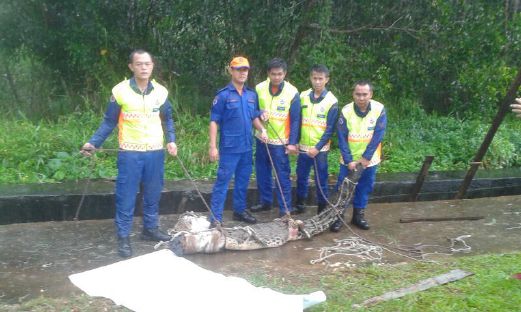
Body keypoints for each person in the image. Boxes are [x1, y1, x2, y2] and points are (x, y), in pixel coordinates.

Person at [81, 49, 177, 258]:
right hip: (130, 154)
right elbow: (109, 121)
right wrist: (93, 142)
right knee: (126, 197)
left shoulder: (161, 92)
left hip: (155, 152)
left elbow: (167, 118)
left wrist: (171, 140)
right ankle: (123, 237)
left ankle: (150, 230)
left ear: (152, 66)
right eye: (139, 64)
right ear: (131, 67)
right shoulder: (120, 91)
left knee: (152, 194)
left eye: (147, 64)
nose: (144, 67)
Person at [208, 56, 268, 227]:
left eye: (245, 70)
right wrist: (212, 147)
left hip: (247, 147)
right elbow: (214, 121)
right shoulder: (223, 96)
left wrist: (262, 129)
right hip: (229, 148)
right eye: (239, 69)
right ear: (231, 71)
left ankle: (239, 211)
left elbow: (253, 117)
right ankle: (215, 218)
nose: (242, 73)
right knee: (223, 182)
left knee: (243, 181)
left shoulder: (251, 95)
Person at [331, 80, 387, 232]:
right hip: (348, 160)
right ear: (353, 94)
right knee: (343, 188)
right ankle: (338, 217)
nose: (361, 98)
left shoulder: (379, 109)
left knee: (364, 188)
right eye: (358, 94)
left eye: (364, 94)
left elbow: (378, 135)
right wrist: (349, 160)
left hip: (369, 160)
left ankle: (358, 216)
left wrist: (366, 158)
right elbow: (341, 137)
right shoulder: (346, 111)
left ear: (371, 94)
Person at [250, 58, 301, 216]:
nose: (277, 77)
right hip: (262, 139)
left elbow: (296, 120)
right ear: (268, 74)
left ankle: (285, 208)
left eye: (280, 74)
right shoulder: (259, 88)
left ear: (285, 73)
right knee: (262, 173)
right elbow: (253, 111)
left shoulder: (292, 92)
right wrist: (260, 114)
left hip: (281, 142)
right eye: (273, 74)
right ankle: (265, 202)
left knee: (282, 175)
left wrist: (292, 143)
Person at [295, 65, 338, 215]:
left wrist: (317, 148)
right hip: (303, 147)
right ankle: (300, 204)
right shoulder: (303, 96)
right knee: (301, 176)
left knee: (321, 179)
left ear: (327, 80)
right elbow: (297, 120)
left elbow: (330, 129)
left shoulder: (332, 101)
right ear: (310, 78)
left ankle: (322, 208)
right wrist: (294, 141)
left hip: (320, 150)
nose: (317, 82)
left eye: (321, 79)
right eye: (315, 78)